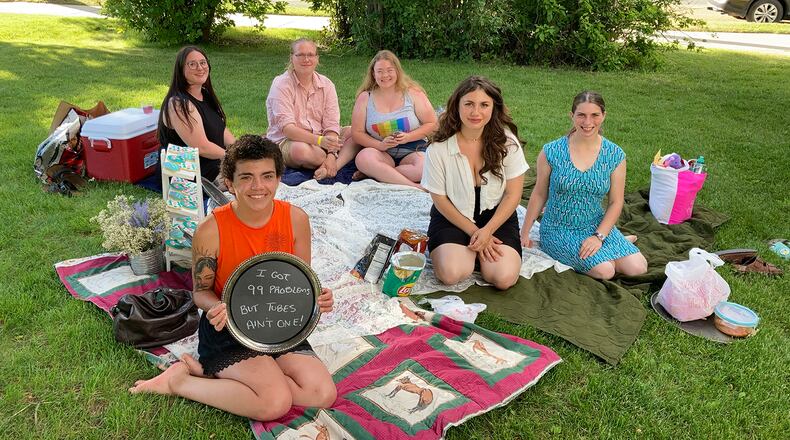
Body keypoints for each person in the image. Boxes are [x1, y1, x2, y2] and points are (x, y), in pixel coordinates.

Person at [129, 135, 337, 421]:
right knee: (274, 403)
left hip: (279, 323)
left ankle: (222, 379)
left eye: (267, 176)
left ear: (278, 178)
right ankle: (179, 382)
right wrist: (214, 307)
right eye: (246, 177)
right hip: (229, 327)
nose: (258, 187)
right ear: (230, 181)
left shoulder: (296, 219)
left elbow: (300, 281)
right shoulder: (211, 229)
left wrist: (318, 297)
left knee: (322, 394)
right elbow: (200, 292)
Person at [519, 91, 648, 280]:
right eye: (581, 115)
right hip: (559, 228)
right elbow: (539, 194)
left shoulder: (615, 155)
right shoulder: (551, 151)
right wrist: (524, 233)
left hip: (594, 225)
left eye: (594, 115)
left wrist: (599, 236)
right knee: (606, 270)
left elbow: (616, 202)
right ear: (572, 116)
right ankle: (610, 250)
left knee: (638, 268)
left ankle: (612, 243)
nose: (588, 122)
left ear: (603, 115)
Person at [421, 76, 528, 290]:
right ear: (457, 106)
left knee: (503, 278)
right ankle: (468, 252)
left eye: (484, 105)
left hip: (496, 217)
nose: (475, 112)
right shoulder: (439, 148)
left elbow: (513, 195)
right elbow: (440, 199)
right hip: (453, 215)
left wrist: (487, 231)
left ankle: (478, 254)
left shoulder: (507, 143)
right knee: (451, 274)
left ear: (493, 108)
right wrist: (474, 232)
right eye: (468, 104)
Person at [265, 38, 357, 181]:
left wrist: (331, 154)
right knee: (301, 151)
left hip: (322, 139)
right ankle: (332, 160)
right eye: (300, 55)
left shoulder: (327, 84)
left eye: (310, 55)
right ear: (292, 58)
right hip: (290, 141)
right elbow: (288, 129)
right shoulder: (281, 84)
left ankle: (331, 165)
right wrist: (320, 142)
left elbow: (331, 125)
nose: (306, 59)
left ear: (317, 58)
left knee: (356, 132)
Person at [350, 50, 437, 188]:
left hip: (413, 149)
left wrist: (408, 137)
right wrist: (381, 145)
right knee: (363, 158)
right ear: (373, 74)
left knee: (423, 168)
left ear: (397, 71)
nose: (385, 75)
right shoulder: (365, 97)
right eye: (379, 71)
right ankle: (413, 186)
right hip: (381, 151)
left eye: (389, 70)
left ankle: (379, 174)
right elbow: (356, 133)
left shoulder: (413, 93)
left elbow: (432, 124)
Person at [158, 46, 235, 183]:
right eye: (192, 64)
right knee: (247, 179)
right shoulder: (178, 104)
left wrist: (242, 151)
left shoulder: (205, 94)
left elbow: (221, 130)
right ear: (181, 70)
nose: (200, 68)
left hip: (212, 164)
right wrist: (235, 158)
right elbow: (201, 147)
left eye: (203, 62)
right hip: (186, 172)